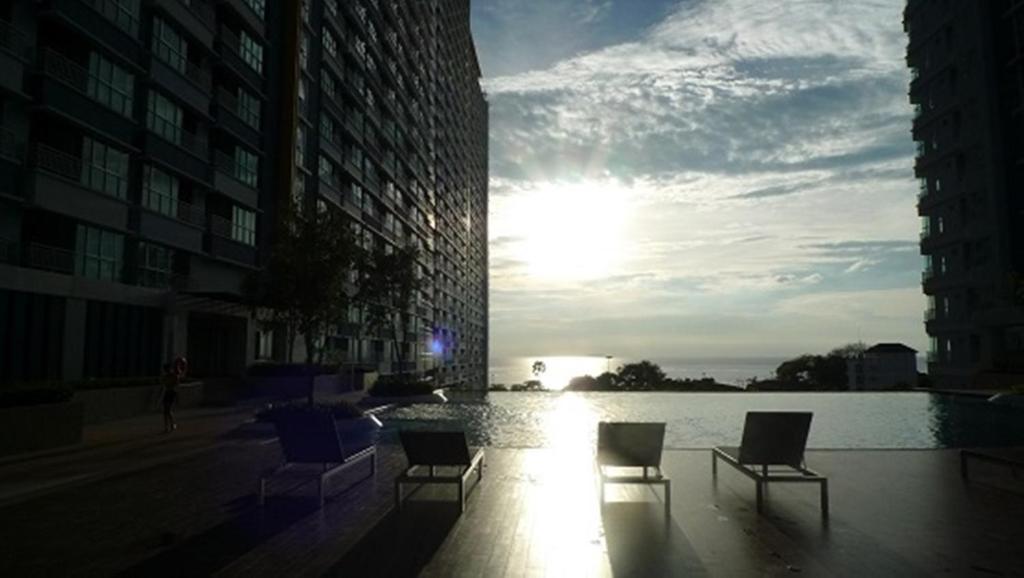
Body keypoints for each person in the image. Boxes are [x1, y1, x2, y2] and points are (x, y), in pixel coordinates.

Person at [162, 356, 187, 433]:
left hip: (172, 393)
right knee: (165, 411)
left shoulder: (174, 376)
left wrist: (177, 396)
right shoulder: (166, 376)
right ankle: (167, 426)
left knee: (168, 410)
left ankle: (172, 424)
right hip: (167, 393)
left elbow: (176, 385)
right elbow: (165, 386)